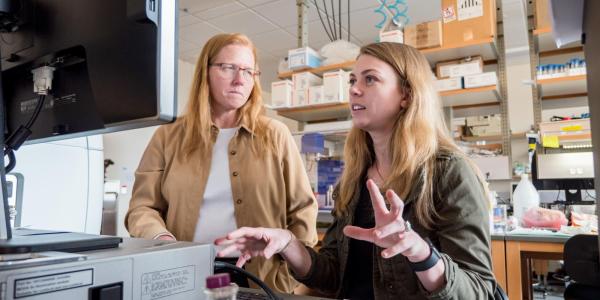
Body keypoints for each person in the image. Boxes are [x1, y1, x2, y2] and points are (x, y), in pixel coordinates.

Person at [216, 42, 497, 299]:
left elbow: (479, 289)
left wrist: (420, 253)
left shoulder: (450, 174)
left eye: (370, 79)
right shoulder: (353, 179)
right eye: (352, 80)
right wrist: (287, 243)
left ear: (406, 95)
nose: (353, 89)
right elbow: (332, 274)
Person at [125, 33, 318, 294]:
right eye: (229, 68)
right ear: (205, 72)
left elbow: (303, 210)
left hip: (261, 276)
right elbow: (142, 207)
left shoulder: (275, 134)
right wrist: (162, 241)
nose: (240, 80)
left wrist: (289, 272)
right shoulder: (168, 136)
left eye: (249, 71)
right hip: (185, 270)